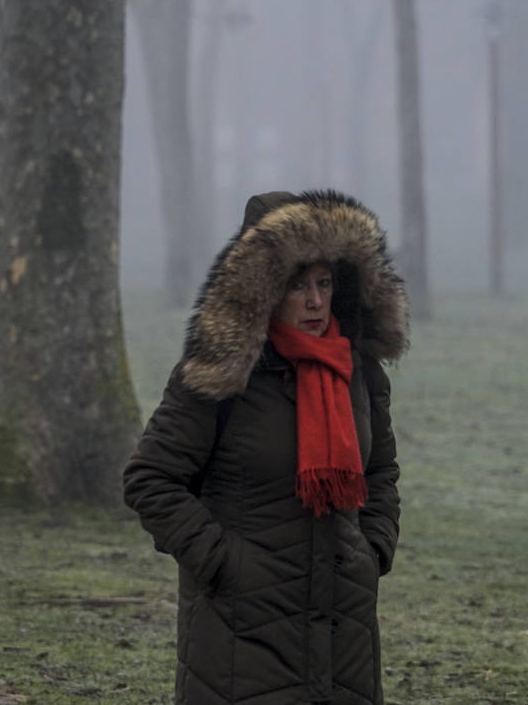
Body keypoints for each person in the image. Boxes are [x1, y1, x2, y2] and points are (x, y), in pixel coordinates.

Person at [123, 190, 409, 705]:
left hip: (344, 635)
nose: (315, 301)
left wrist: (373, 550)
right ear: (263, 290)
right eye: (297, 285)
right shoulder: (218, 374)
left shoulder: (356, 370)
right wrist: (224, 564)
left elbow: (381, 472)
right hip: (240, 641)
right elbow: (151, 479)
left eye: (324, 283)